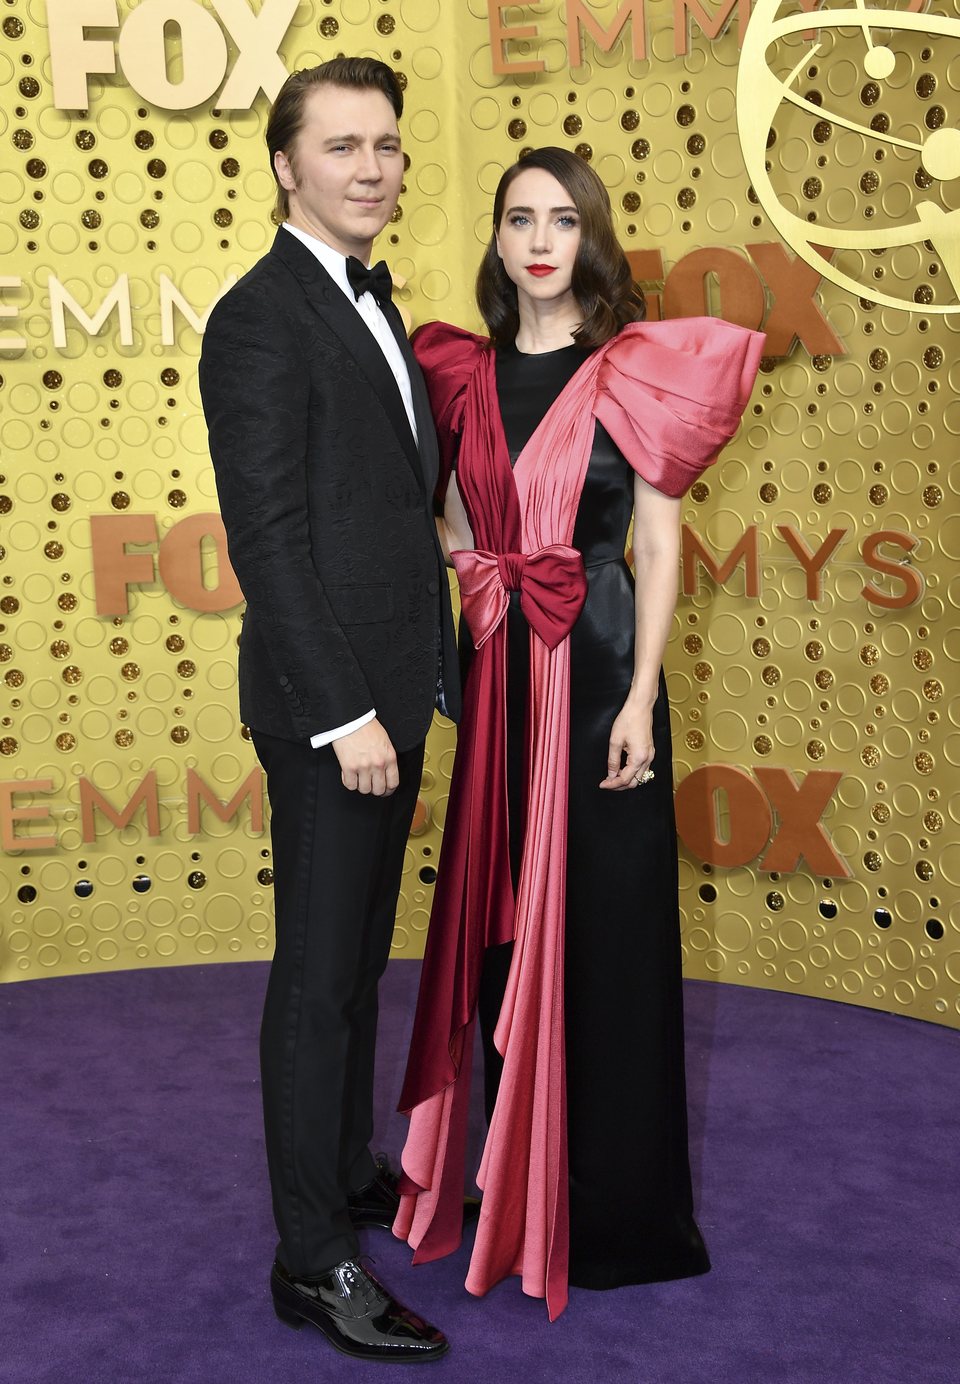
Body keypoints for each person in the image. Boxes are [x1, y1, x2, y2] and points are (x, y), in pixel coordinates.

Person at [393, 147, 764, 1319]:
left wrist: (645, 691)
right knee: (505, 920)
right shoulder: (456, 372)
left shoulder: (634, 372)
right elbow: (451, 513)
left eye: (562, 219)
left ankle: (613, 1208)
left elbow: (658, 543)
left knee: (606, 933)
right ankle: (510, 1176)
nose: (540, 238)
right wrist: (477, 579)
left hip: (601, 671)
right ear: (497, 242)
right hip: (503, 670)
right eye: (519, 218)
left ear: (589, 241)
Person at [198, 58, 460, 1362]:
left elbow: (393, 511)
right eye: (344, 146)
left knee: (360, 960)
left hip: (391, 698)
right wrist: (348, 712)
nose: (372, 167)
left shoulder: (375, 301)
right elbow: (271, 539)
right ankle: (311, 1262)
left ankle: (348, 1167)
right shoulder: (258, 319)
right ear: (286, 167)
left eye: (388, 145)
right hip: (329, 713)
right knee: (314, 978)